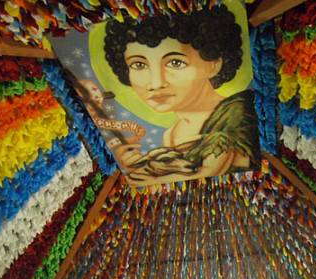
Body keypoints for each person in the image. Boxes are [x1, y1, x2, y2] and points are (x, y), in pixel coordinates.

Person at [102, 4, 260, 185]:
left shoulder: (239, 114)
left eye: (175, 63)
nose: (156, 83)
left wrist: (141, 174)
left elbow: (217, 166)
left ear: (214, 63)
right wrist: (132, 166)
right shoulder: (171, 135)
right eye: (139, 65)